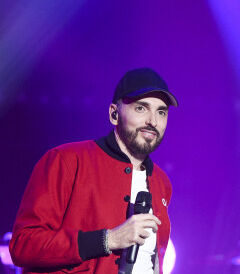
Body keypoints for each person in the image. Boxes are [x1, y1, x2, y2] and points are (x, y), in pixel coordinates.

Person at [9, 68, 178, 274]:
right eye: (141, 108)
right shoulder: (66, 161)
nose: (153, 121)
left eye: (161, 112)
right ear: (114, 114)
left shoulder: (162, 181)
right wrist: (108, 239)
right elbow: (23, 246)